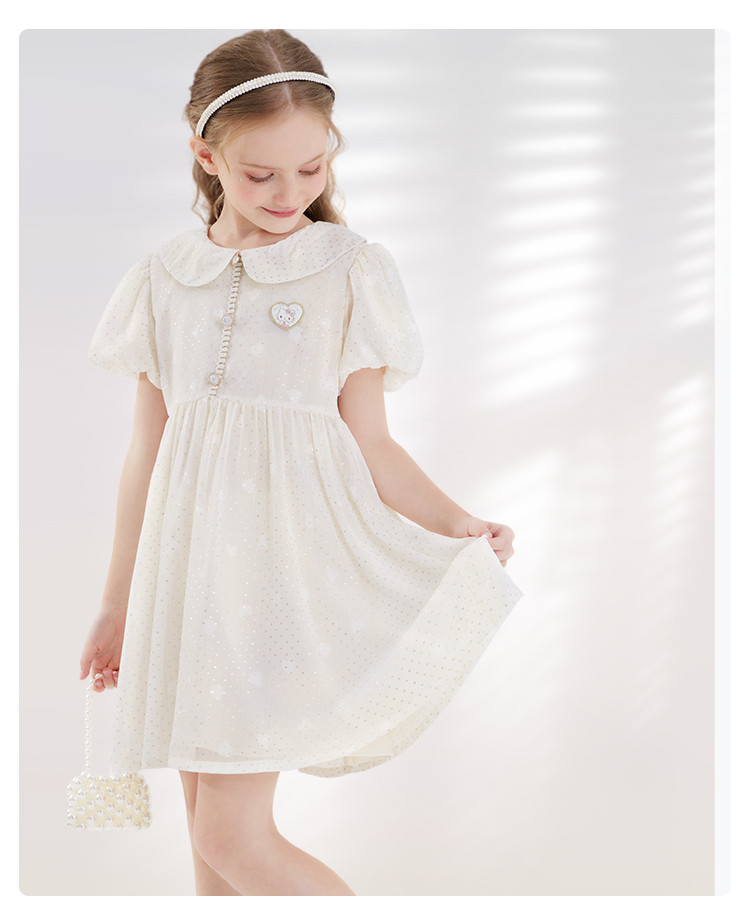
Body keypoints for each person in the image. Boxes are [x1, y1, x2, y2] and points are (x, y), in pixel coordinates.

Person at [78, 29, 522, 897]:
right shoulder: (163, 279)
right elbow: (145, 453)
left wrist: (457, 522)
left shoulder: (347, 271)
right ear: (206, 156)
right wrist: (116, 602)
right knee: (210, 851)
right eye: (261, 174)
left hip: (279, 577)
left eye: (311, 168)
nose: (290, 193)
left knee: (231, 837)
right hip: (187, 582)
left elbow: (373, 442)